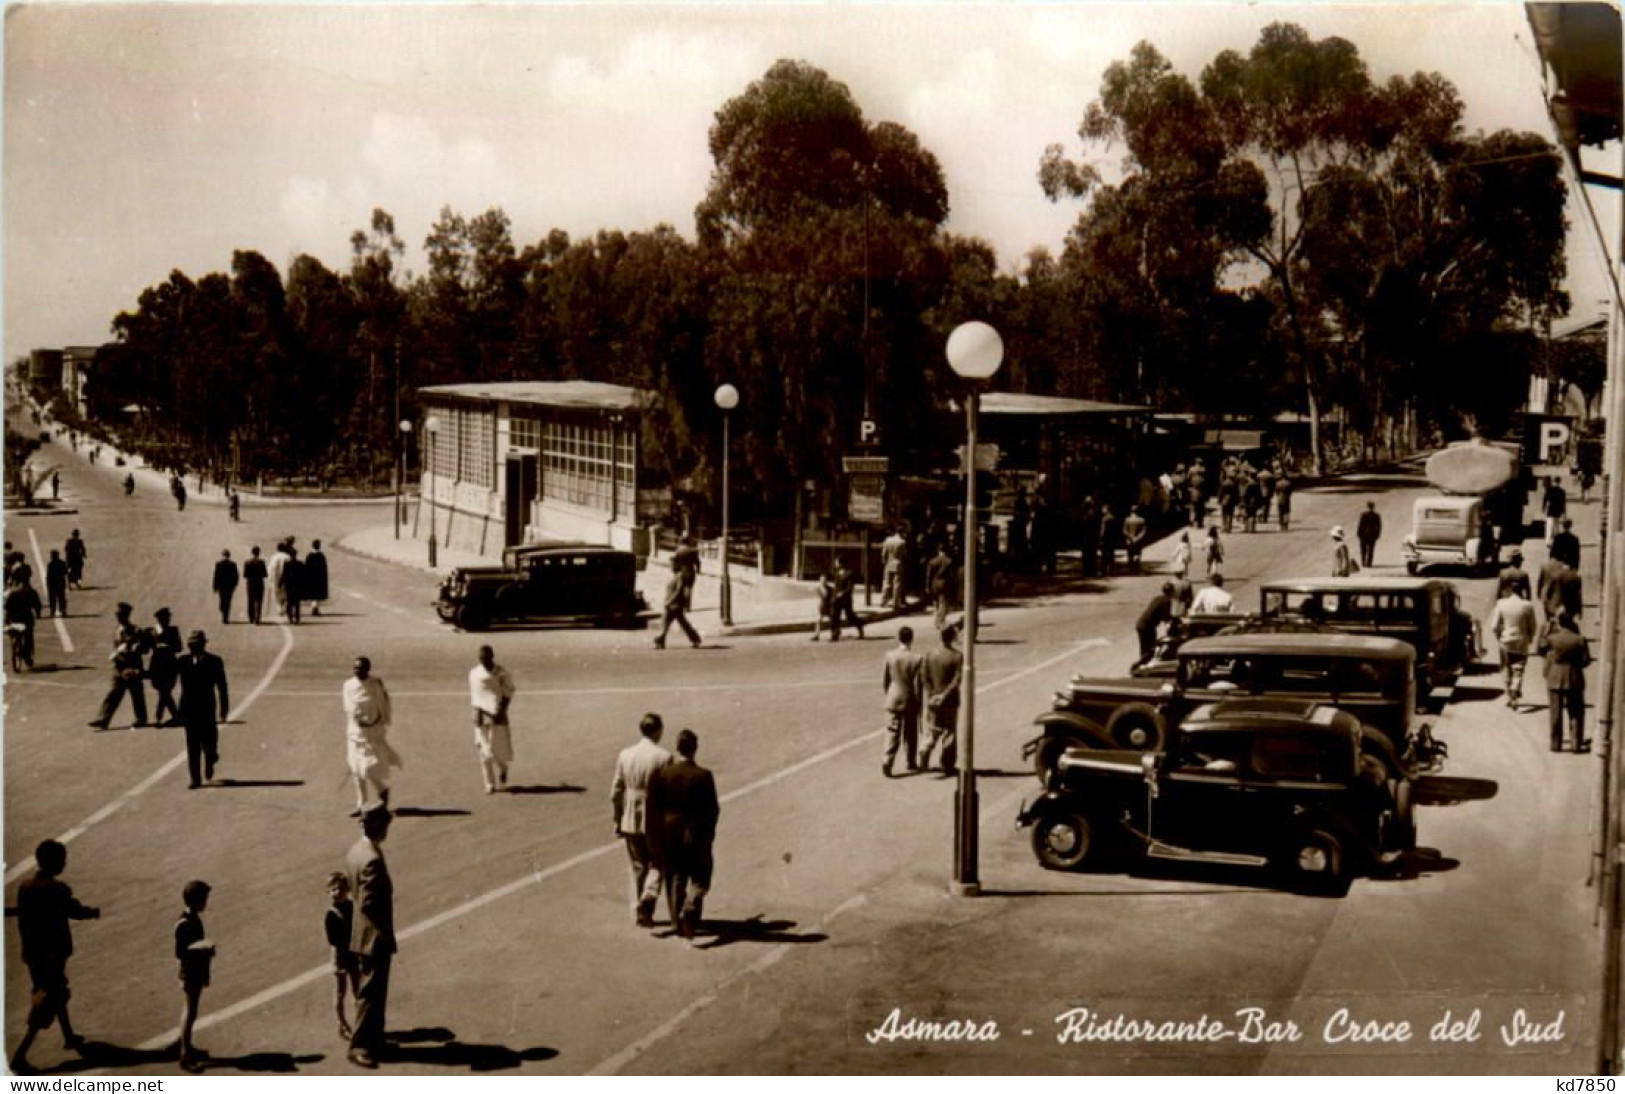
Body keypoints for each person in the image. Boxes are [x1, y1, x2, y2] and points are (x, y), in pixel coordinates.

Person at [9, 840, 99, 1075]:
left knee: (55, 991)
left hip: (33, 955)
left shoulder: (25, 887)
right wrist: (92, 913)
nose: (65, 862)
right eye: (62, 858)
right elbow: (74, 911)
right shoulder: (58, 890)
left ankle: (69, 1035)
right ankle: (20, 1055)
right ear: (55, 862)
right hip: (52, 955)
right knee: (51, 996)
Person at [646, 728, 720, 942]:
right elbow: (712, 809)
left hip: (671, 832)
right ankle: (691, 906)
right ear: (694, 749)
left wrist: (656, 836)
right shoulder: (703, 775)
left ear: (677, 748)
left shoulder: (663, 774)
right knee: (700, 876)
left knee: (676, 875)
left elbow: (655, 807)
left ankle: (677, 920)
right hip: (695, 832)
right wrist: (709, 833)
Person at [346, 804, 396, 1069]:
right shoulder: (372, 859)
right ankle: (360, 1045)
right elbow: (368, 902)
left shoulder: (357, 850)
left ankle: (374, 1039)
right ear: (379, 827)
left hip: (362, 931)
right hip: (373, 935)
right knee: (371, 992)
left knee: (374, 991)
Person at [612, 713, 672, 928]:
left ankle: (637, 910)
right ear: (657, 730)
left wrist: (617, 818)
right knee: (658, 861)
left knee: (637, 866)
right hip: (653, 816)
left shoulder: (625, 754)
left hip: (629, 815)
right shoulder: (664, 757)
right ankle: (649, 896)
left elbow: (616, 791)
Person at [344, 658, 400, 813]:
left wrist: (373, 721)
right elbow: (348, 707)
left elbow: (383, 705)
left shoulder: (375, 684)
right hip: (355, 732)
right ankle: (361, 802)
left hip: (373, 732)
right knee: (356, 768)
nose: (357, 671)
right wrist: (357, 720)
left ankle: (382, 790)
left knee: (368, 768)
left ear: (367, 670)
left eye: (360, 668)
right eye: (355, 668)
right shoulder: (348, 685)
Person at [177, 631, 230, 789]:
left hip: (207, 708)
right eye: (191, 645)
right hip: (189, 708)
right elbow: (165, 672)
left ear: (203, 644)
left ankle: (210, 759)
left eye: (196, 644)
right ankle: (195, 778)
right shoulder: (182, 661)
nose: (193, 647)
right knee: (192, 744)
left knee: (209, 742)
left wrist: (224, 709)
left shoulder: (214, 661)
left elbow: (222, 687)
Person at [174, 880, 215, 1073]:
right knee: (190, 1012)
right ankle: (184, 1052)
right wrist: (203, 947)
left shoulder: (192, 919)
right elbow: (181, 952)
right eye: (204, 899)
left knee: (191, 1011)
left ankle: (186, 1045)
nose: (206, 903)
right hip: (191, 972)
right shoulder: (184, 924)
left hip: (196, 971)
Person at [88, 603, 149, 729]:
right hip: (119, 667)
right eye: (117, 615)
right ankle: (103, 719)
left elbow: (144, 649)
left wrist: (135, 648)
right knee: (113, 694)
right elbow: (115, 647)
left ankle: (141, 718)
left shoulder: (136, 631)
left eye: (120, 615)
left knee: (136, 694)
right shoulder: (117, 630)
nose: (118, 617)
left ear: (127, 615)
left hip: (132, 667)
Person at [1540, 613, 1591, 753]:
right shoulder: (1580, 640)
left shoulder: (1551, 639)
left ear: (1559, 623)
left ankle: (1556, 744)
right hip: (1575, 678)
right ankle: (1576, 742)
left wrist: (1547, 629)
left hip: (1555, 676)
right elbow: (1586, 661)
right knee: (1576, 711)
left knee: (1555, 712)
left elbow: (1539, 649)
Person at [468, 644, 515, 793]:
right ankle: (489, 784)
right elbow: (475, 694)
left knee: (494, 749)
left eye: (487, 659)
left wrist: (503, 709)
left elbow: (509, 691)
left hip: (496, 714)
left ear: (492, 657)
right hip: (480, 714)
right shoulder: (474, 673)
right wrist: (475, 710)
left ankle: (502, 767)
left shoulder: (501, 673)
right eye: (482, 659)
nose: (484, 662)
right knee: (483, 751)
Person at [919, 624, 964, 775]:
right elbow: (957, 680)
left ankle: (925, 749)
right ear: (952, 637)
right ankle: (947, 764)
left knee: (933, 729)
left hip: (933, 699)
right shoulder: (957, 656)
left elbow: (924, 677)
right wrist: (944, 695)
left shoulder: (930, 654)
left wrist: (932, 694)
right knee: (949, 732)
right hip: (950, 700)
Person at [881, 625, 924, 776]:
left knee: (892, 731)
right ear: (911, 639)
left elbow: (885, 680)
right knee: (910, 732)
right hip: (909, 698)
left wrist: (889, 694)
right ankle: (910, 761)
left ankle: (887, 759)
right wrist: (919, 702)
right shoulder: (917, 658)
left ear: (898, 638)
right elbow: (918, 684)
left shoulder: (890, 656)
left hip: (893, 697)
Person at [1487, 584, 1538, 710]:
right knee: (1518, 667)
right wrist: (1530, 638)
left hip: (1505, 640)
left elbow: (1494, 625)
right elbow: (1533, 625)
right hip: (1521, 640)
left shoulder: (1501, 604)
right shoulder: (1528, 606)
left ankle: (1509, 696)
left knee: (1505, 667)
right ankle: (1515, 688)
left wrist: (1499, 636)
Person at [325, 872, 359, 1042]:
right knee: (340, 992)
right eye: (333, 889)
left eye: (340, 888)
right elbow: (334, 940)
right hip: (341, 956)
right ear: (328, 892)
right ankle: (342, 1023)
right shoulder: (331, 914)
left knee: (357, 990)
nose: (337, 892)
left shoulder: (352, 907)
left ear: (346, 890)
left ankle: (360, 1023)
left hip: (353, 954)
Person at [148, 608, 183, 726]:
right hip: (156, 665)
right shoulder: (151, 632)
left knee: (165, 691)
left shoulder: (173, 631)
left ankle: (161, 717)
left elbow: (179, 648)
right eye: (165, 618)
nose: (167, 620)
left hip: (170, 665)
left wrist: (168, 646)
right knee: (163, 691)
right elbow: (145, 648)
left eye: (168, 618)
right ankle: (174, 716)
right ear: (159, 619)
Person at [653, 567, 701, 650]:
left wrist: (670, 601)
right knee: (682, 622)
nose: (671, 566)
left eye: (672, 564)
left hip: (674, 604)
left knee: (666, 620)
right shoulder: (677, 576)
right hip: (674, 604)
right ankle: (695, 638)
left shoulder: (680, 576)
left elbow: (679, 590)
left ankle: (661, 639)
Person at [1135, 583, 1177, 667]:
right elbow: (1167, 618)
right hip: (1148, 626)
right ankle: (1139, 666)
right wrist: (1176, 620)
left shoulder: (1158, 598)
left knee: (1145, 648)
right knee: (1150, 648)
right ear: (1172, 592)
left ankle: (1143, 665)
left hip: (1141, 624)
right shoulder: (1166, 601)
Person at [5, 575, 42, 669]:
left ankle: (15, 648)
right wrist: (38, 614)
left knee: (13, 634)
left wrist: (7, 618)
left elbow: (6, 606)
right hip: (26, 619)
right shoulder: (31, 592)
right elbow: (37, 605)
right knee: (28, 638)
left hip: (13, 619)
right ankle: (27, 657)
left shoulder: (12, 593)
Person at [830, 555, 864, 640]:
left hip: (846, 599)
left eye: (837, 562)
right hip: (837, 599)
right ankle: (835, 634)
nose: (835, 564)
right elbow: (836, 586)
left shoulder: (849, 573)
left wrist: (842, 593)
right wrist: (833, 596)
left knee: (850, 616)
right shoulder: (837, 573)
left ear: (842, 563)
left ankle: (859, 626)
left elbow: (850, 587)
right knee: (834, 616)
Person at [925, 543, 954, 632]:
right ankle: (940, 620)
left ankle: (937, 618)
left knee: (936, 602)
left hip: (934, 583)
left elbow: (928, 575)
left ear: (938, 550)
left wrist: (927, 586)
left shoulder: (932, 561)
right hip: (944, 583)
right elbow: (951, 575)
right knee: (944, 603)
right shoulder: (949, 561)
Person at [879, 526, 909, 607]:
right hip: (898, 563)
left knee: (886, 583)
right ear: (902, 533)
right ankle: (895, 602)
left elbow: (883, 553)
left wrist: (884, 561)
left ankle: (883, 600)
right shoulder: (902, 542)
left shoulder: (887, 540)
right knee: (897, 584)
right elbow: (905, 554)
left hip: (888, 563)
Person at [212, 550, 239, 626]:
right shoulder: (232, 564)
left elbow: (216, 576)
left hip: (222, 586)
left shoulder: (219, 564)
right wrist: (235, 585)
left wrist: (215, 586)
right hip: (228, 586)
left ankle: (225, 617)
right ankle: (225, 616)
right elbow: (236, 576)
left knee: (223, 600)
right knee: (227, 601)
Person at [243, 546, 268, 625]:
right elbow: (265, 574)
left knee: (250, 600)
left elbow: (245, 575)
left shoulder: (247, 562)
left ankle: (251, 617)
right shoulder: (262, 562)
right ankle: (257, 617)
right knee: (259, 600)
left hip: (250, 583)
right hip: (259, 582)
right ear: (258, 552)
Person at [306, 539, 330, 617]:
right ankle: (315, 608)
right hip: (319, 578)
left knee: (313, 594)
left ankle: (314, 608)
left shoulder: (309, 556)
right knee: (317, 594)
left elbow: (306, 568)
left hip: (311, 578)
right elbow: (324, 569)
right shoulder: (321, 556)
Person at [1542, 476, 1567, 546]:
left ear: (1554, 481)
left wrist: (1543, 509)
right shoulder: (1562, 491)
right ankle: (1557, 541)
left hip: (1550, 510)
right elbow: (1563, 504)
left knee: (1549, 526)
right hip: (1558, 511)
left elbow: (1545, 500)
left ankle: (1548, 541)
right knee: (1557, 527)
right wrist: (1564, 513)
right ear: (1560, 482)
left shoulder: (1549, 490)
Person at [268, 541, 290, 621]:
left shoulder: (274, 557)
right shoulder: (287, 556)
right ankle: (284, 606)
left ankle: (280, 608)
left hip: (276, 579)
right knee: (285, 593)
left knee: (277, 594)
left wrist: (270, 578)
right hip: (286, 578)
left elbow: (270, 569)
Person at [1356, 502, 1382, 569]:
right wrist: (1377, 534)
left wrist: (1359, 533)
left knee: (1366, 549)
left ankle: (1365, 562)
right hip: (1369, 535)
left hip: (1365, 534)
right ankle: (1367, 563)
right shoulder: (1376, 515)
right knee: (1369, 549)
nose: (1370, 509)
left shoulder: (1364, 515)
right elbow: (1379, 527)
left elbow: (1360, 525)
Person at [283, 546, 305, 625]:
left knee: (289, 602)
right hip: (297, 585)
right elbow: (304, 576)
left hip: (289, 586)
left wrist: (281, 583)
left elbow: (284, 575)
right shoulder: (300, 563)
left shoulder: (287, 564)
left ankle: (290, 618)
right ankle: (297, 618)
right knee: (297, 603)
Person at [1123, 506, 1147, 573]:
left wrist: (1131, 537)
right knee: (1137, 554)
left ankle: (1131, 569)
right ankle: (1136, 568)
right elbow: (1144, 531)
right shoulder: (1142, 520)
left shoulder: (1127, 519)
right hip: (1138, 540)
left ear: (1131, 511)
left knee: (1130, 554)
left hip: (1129, 540)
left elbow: (1124, 530)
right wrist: (1138, 537)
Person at [45, 549, 68, 619]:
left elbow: (48, 575)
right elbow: (66, 572)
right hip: (60, 582)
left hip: (52, 583)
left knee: (52, 598)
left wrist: (47, 583)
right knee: (61, 597)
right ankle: (63, 610)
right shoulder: (62, 563)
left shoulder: (50, 564)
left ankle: (53, 611)